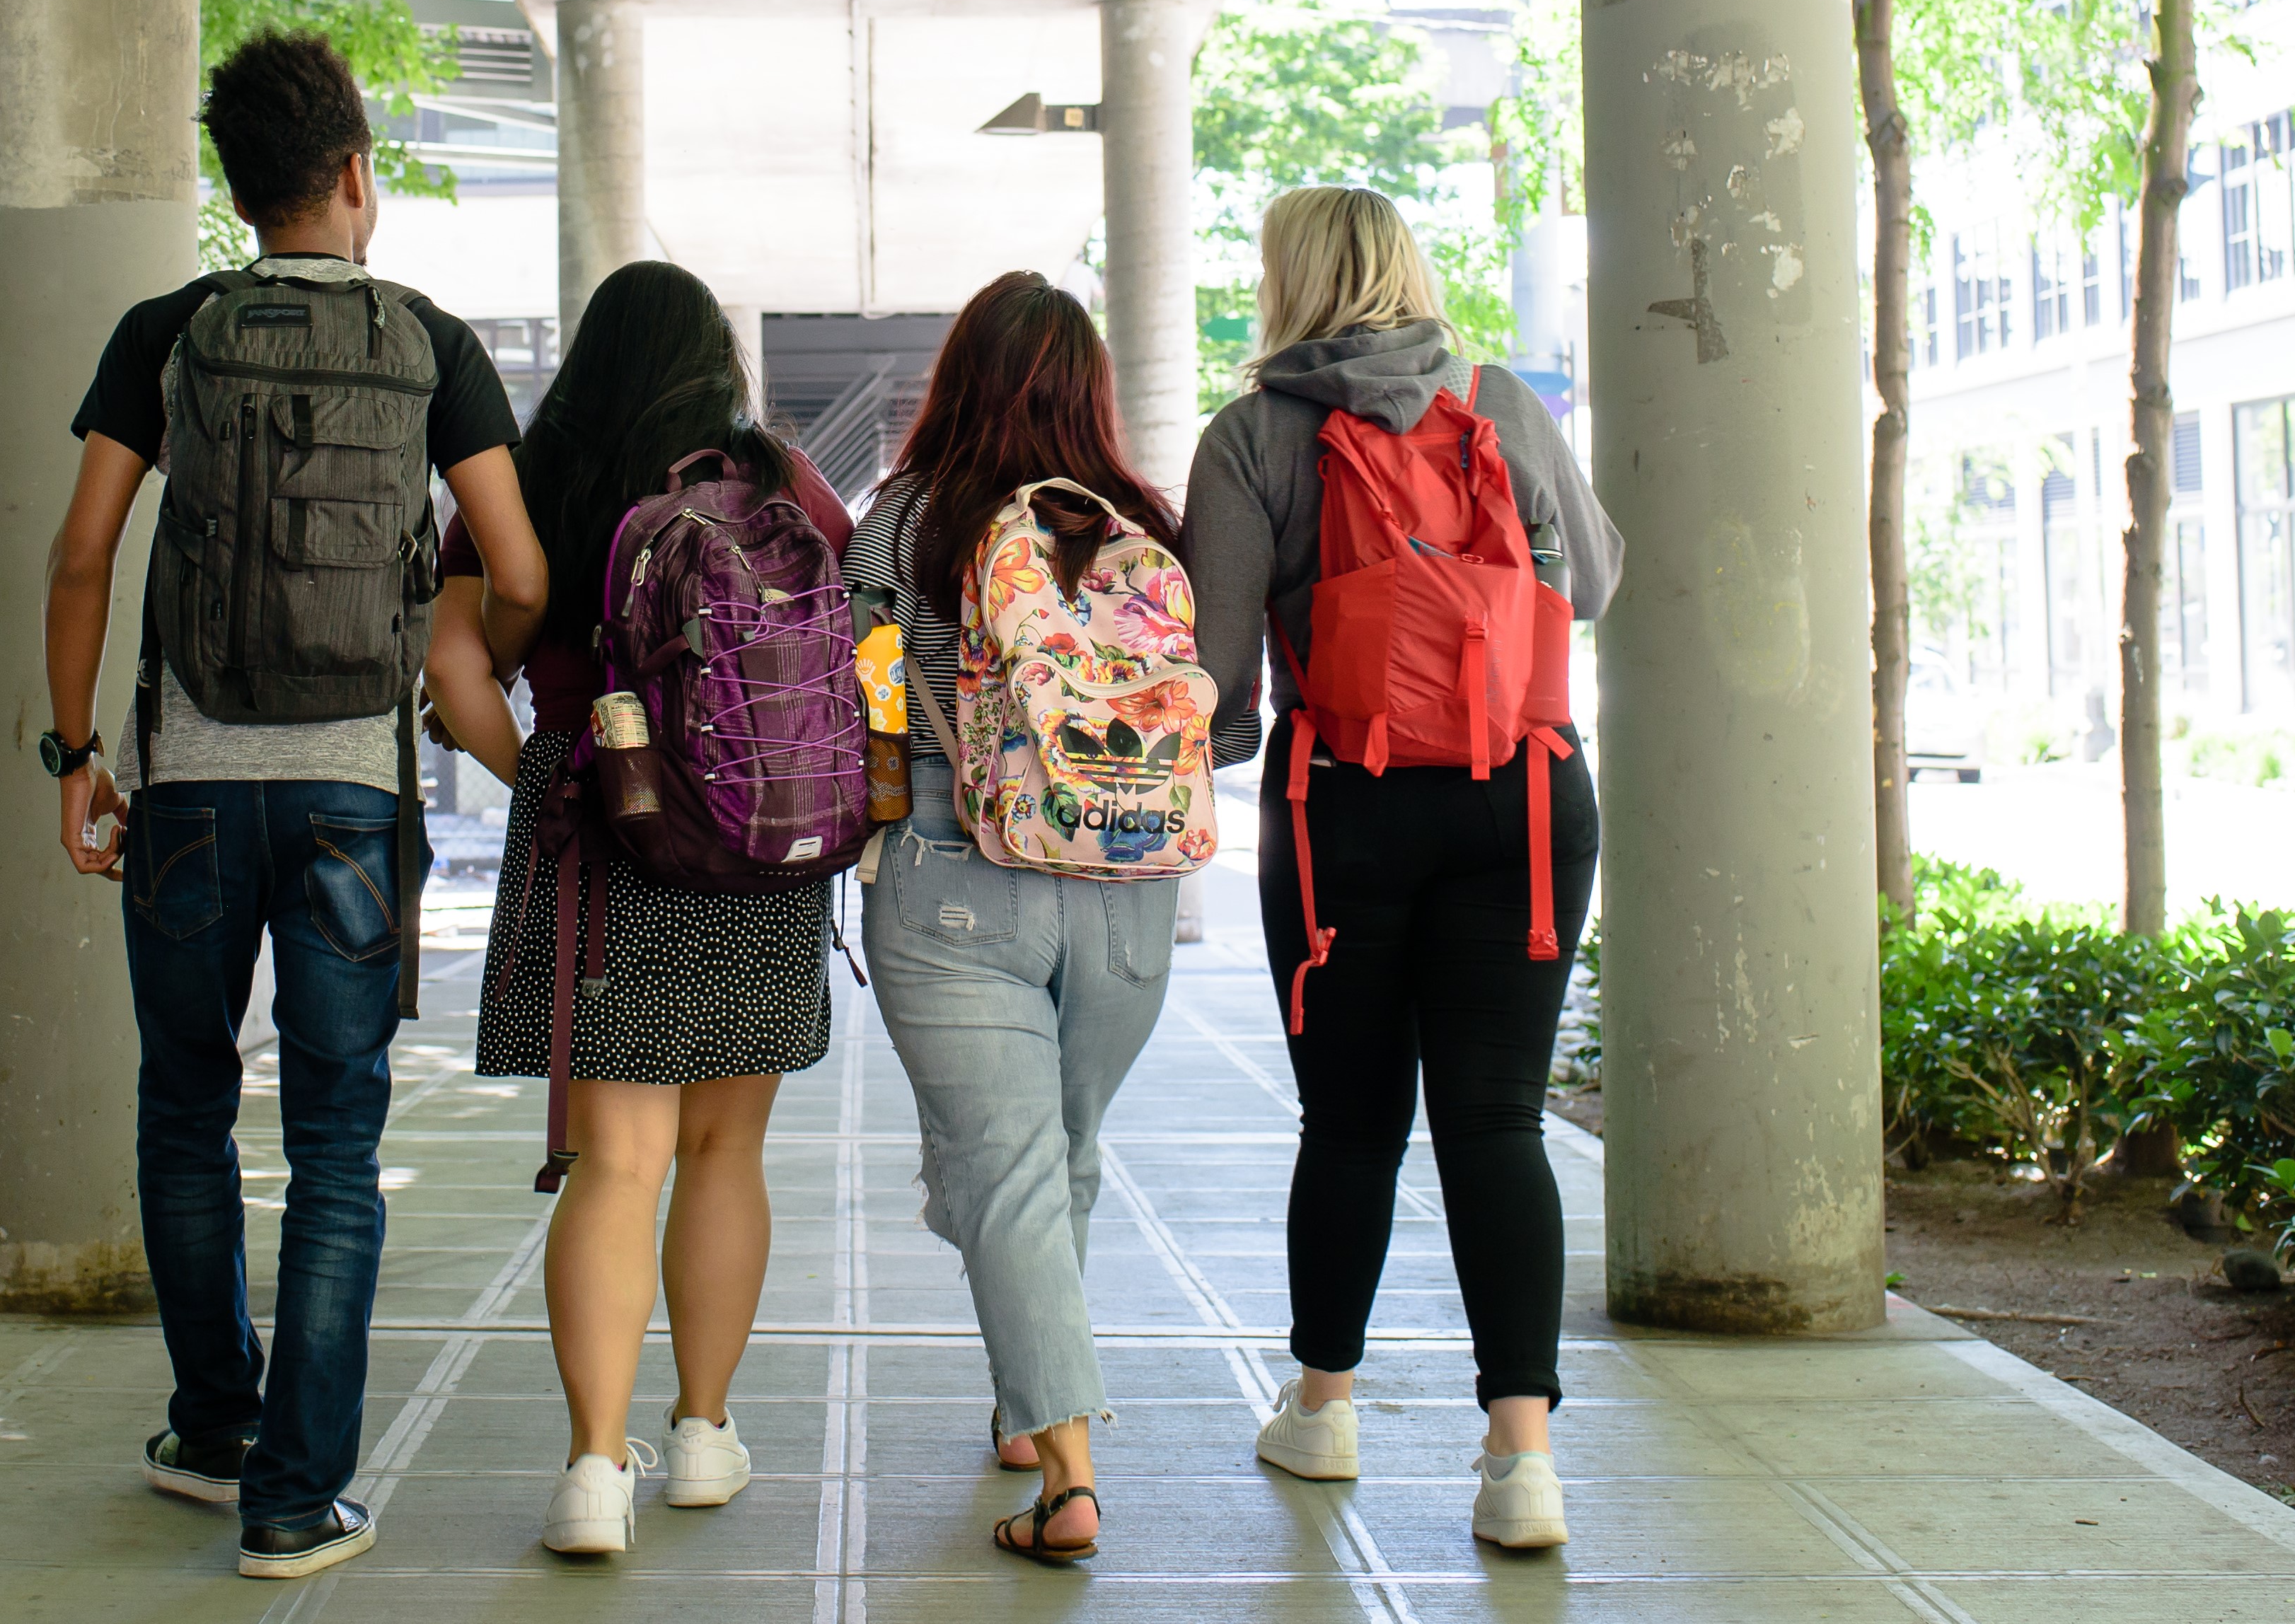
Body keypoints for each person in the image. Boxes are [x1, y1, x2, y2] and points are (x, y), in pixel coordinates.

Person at [42, 30, 547, 1580]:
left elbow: (82, 554)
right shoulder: (432, 341)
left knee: (185, 1104)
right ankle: (294, 1494)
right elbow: (517, 570)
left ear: (239, 184)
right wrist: (442, 660)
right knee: (336, 1141)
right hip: (346, 791)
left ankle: (211, 1428)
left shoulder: (166, 331)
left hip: (186, 786)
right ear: (352, 174)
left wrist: (78, 758)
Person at [1182, 185, 1622, 1551]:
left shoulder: (1255, 432)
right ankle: (1523, 1463)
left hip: (1345, 814)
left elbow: (1218, 669)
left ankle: (1323, 1409)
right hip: (1529, 800)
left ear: (1290, 283)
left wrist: (1243, 734)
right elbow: (1595, 580)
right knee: (1497, 1127)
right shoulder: (1498, 397)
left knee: (1353, 1122)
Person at [422, 260, 855, 1557]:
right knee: (727, 1153)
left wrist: (557, 776)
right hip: (762, 843)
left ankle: (593, 1473)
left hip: (609, 860)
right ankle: (706, 1436)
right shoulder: (778, 481)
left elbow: (452, 661)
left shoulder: (534, 472)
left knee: (616, 1163)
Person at [843, 271, 1255, 1565]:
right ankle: (1032, 1415)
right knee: (1057, 1154)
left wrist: (886, 787)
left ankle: (1067, 1484)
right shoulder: (1149, 528)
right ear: (1092, 391)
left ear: (953, 379)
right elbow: (1218, 715)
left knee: (1006, 1168)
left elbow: (863, 688)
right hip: (1134, 891)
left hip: (956, 868)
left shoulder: (906, 518)